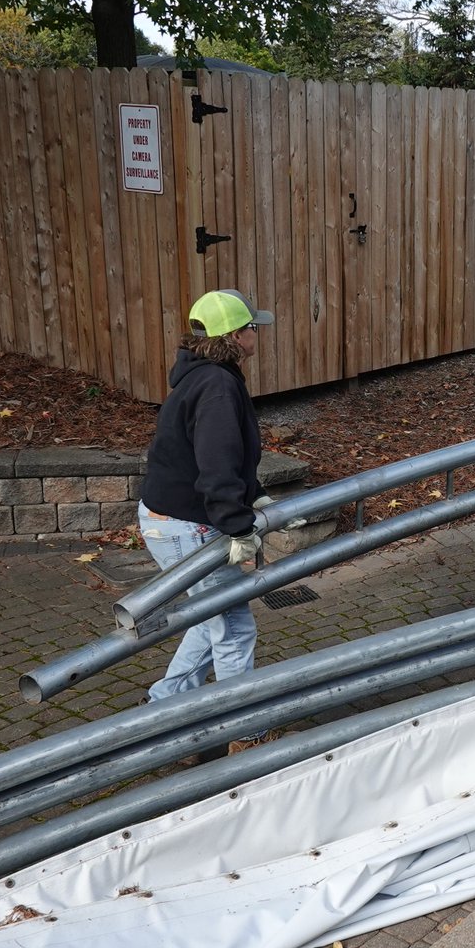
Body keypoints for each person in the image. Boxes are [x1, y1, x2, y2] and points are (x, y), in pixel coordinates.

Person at [138, 288, 286, 755]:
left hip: (172, 517)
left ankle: (163, 707)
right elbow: (216, 463)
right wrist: (239, 525)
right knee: (233, 627)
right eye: (251, 327)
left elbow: (227, 456)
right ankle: (243, 733)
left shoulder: (202, 376)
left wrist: (251, 493)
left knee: (209, 619)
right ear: (236, 335)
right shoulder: (218, 386)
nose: (255, 334)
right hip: (189, 523)